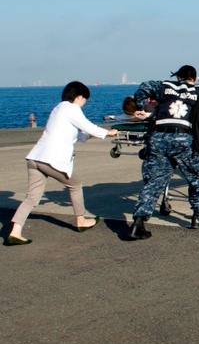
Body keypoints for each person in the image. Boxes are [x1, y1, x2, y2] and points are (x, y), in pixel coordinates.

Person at [5, 82, 119, 246]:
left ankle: (15, 232)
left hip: (35, 158)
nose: (84, 103)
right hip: (52, 159)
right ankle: (80, 220)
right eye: (84, 99)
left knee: (31, 198)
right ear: (78, 97)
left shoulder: (58, 109)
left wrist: (97, 134)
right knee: (75, 185)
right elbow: (87, 126)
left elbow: (80, 135)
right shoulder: (71, 108)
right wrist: (109, 132)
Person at [127, 65, 199, 240]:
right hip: (183, 140)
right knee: (198, 177)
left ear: (178, 77)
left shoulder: (163, 86)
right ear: (195, 77)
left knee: (154, 182)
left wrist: (142, 106)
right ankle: (198, 216)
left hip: (158, 138)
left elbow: (142, 88)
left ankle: (138, 222)